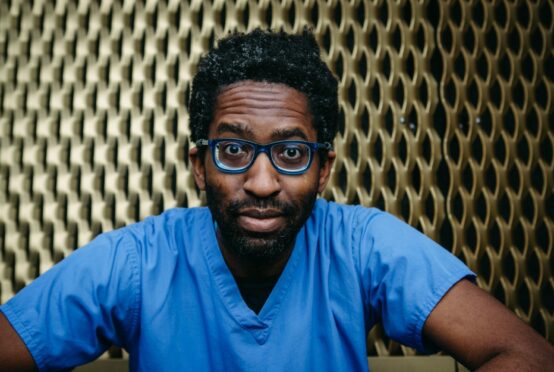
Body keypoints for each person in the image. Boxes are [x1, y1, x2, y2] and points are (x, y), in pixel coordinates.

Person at [0, 28, 552, 372]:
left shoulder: (361, 245)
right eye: (234, 149)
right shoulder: (138, 261)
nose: (262, 182)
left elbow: (526, 355)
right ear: (199, 165)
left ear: (324, 168)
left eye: (290, 153)